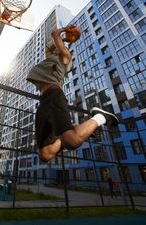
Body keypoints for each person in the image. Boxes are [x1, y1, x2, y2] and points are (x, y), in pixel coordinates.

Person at [26, 26, 119, 162]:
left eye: (60, 47)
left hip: (54, 95)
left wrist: (64, 31)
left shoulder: (65, 57)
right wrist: (63, 38)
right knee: (45, 154)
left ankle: (100, 117)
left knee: (73, 141)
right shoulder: (52, 58)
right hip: (44, 102)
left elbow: (54, 34)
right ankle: (80, 129)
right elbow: (49, 47)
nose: (56, 48)